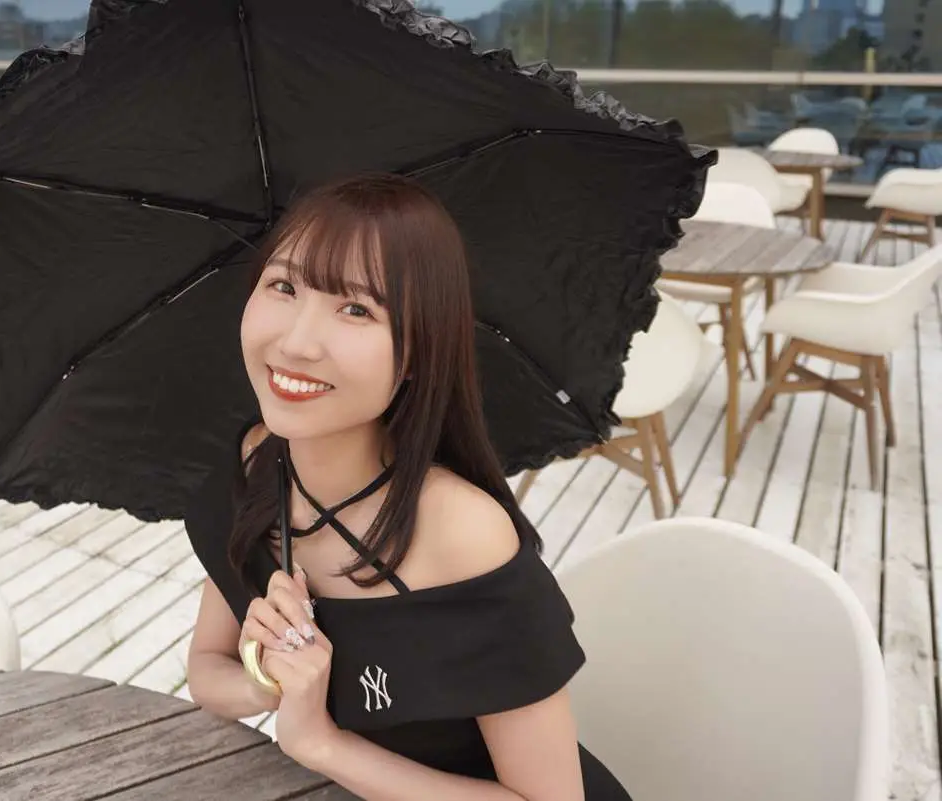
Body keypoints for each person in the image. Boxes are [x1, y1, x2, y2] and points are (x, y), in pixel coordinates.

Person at [184, 172, 632, 800]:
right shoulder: (256, 462)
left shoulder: (461, 533)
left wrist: (322, 745)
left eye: (356, 309)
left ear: (419, 352)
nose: (296, 342)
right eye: (284, 286)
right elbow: (208, 670)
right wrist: (272, 682)